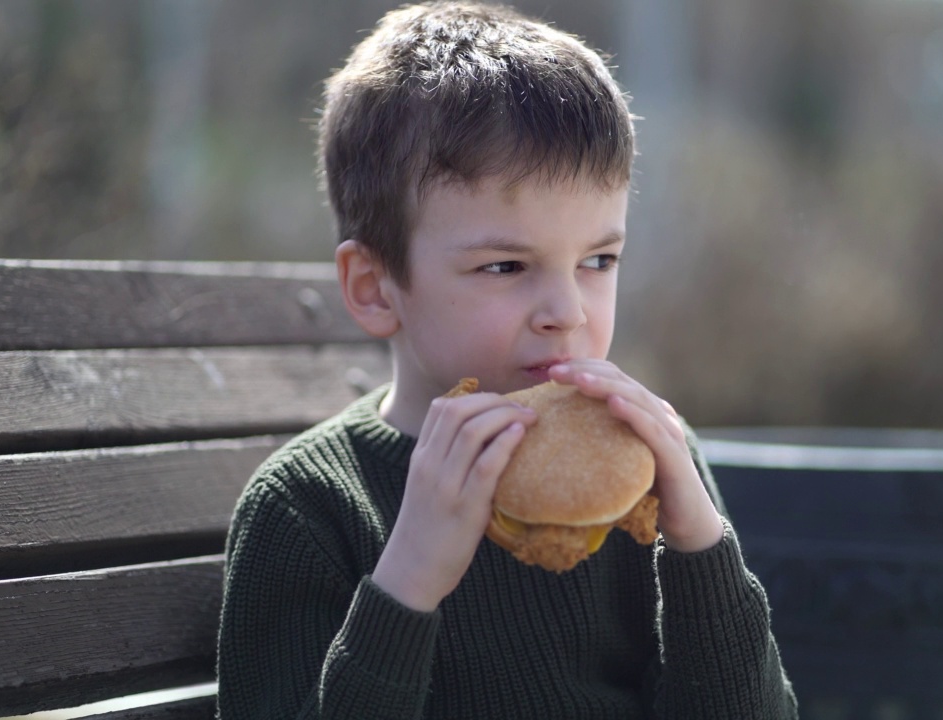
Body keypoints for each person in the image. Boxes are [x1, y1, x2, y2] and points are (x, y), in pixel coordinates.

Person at [216, 2, 796, 718]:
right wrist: (408, 584)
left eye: (598, 259)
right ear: (376, 288)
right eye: (506, 266)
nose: (569, 311)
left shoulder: (638, 487)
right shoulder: (310, 509)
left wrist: (702, 549)